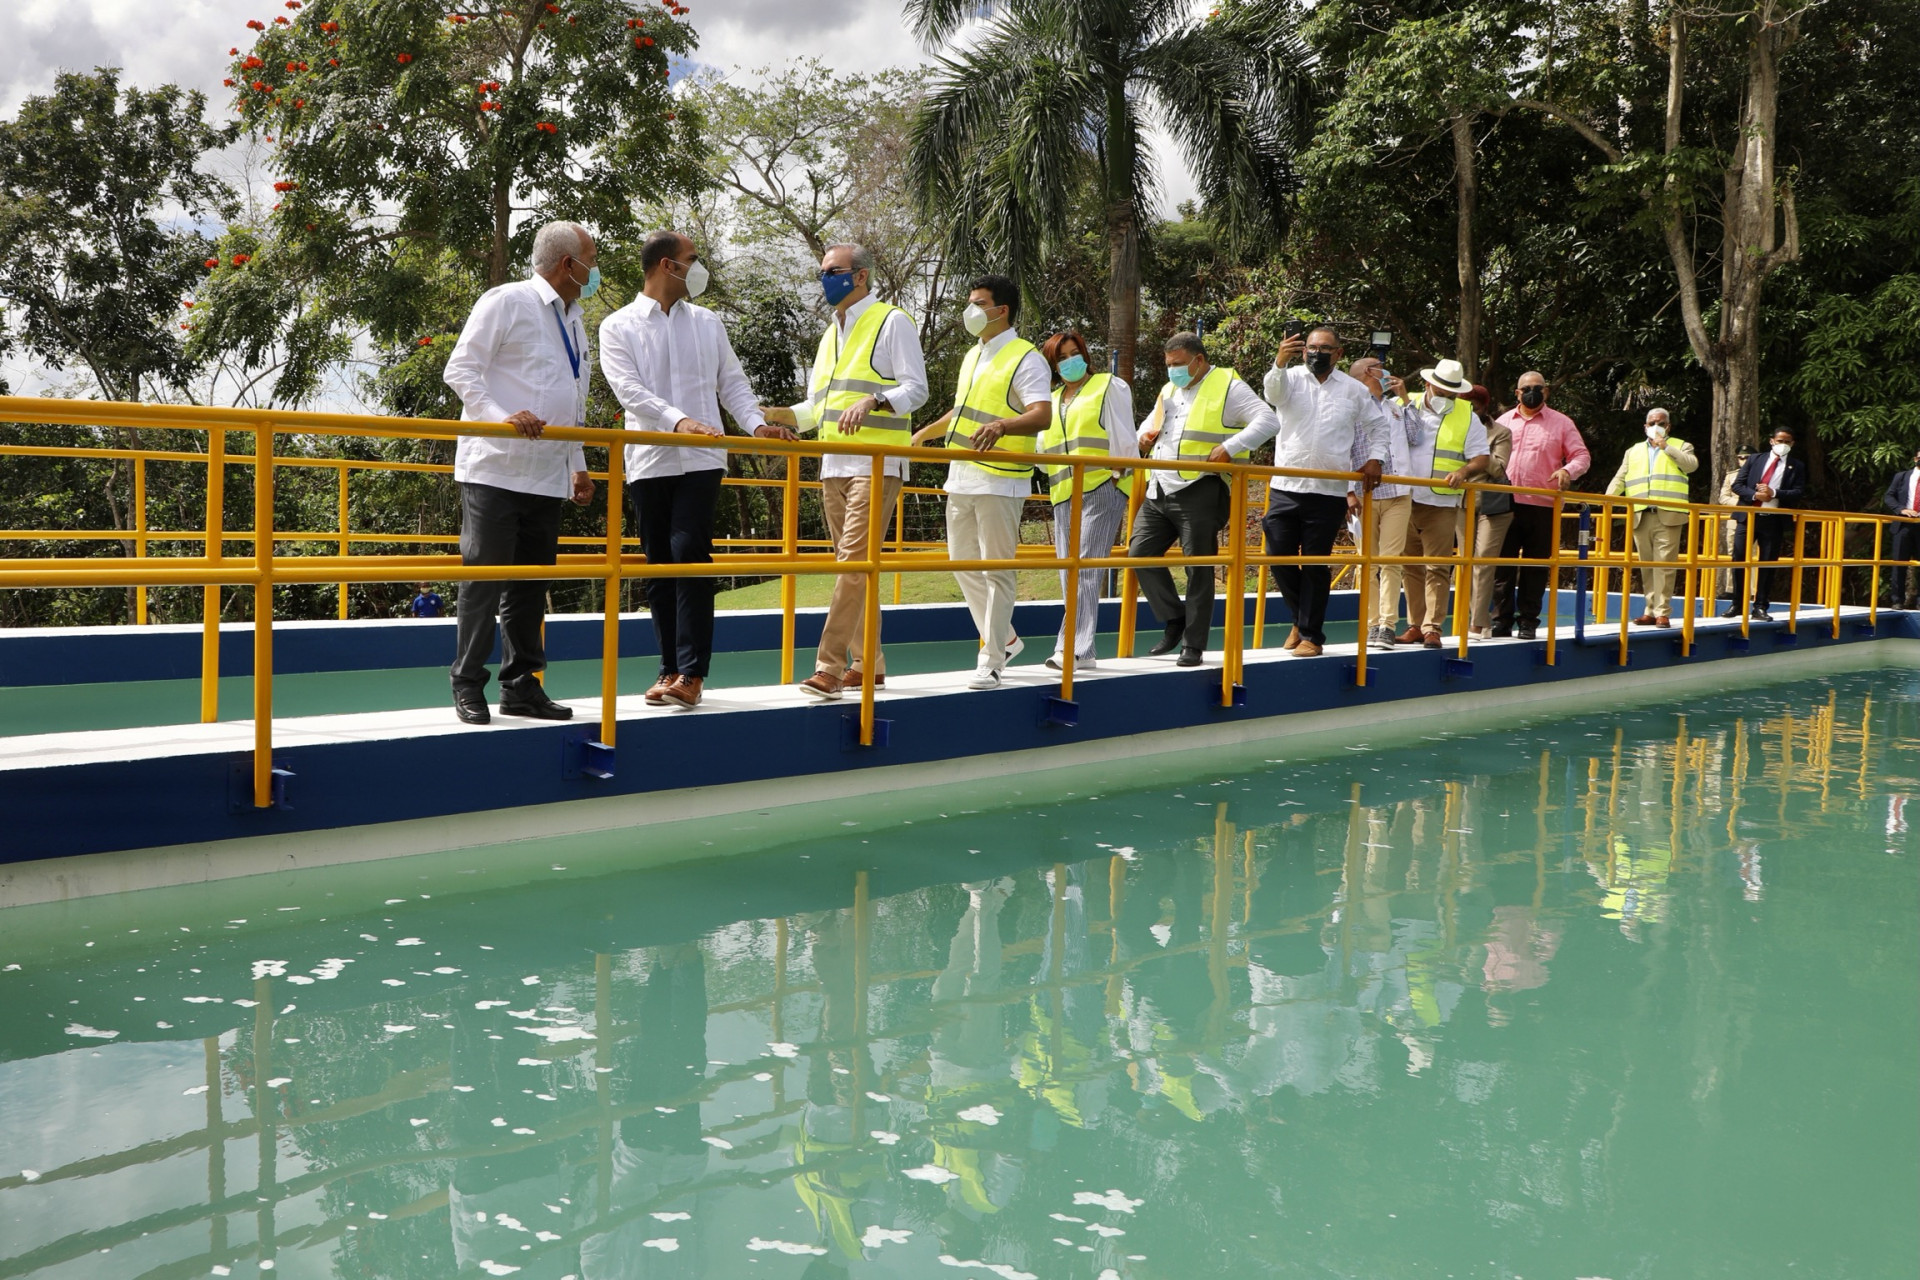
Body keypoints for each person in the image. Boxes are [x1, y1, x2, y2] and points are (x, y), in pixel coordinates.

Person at [600, 229, 789, 709]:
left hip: (703, 459)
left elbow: (733, 383)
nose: (699, 267)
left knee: (690, 553)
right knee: (659, 565)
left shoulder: (708, 322)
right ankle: (667, 668)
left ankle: (691, 672)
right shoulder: (618, 326)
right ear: (668, 265)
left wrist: (756, 425)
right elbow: (629, 391)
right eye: (693, 258)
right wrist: (679, 421)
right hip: (650, 459)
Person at [442, 219, 597, 725]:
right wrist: (500, 418)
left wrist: (577, 465)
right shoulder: (507, 300)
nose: (595, 270)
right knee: (485, 580)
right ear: (567, 264)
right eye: (591, 261)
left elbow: (573, 401)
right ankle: (468, 683)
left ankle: (521, 685)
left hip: (547, 474)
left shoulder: (574, 321)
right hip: (496, 467)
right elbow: (460, 369)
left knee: (530, 586)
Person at [765, 243, 928, 701]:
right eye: (821, 272)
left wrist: (876, 399)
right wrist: (775, 416)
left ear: (860, 276)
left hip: (876, 463)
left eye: (832, 271)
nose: (824, 279)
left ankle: (829, 667)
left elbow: (917, 389)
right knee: (856, 570)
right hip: (833, 465)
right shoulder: (829, 335)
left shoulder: (892, 321)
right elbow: (818, 408)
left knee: (852, 565)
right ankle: (868, 664)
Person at [1213, 325, 1380, 659]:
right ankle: (1299, 620)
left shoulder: (1353, 390)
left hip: (1328, 491)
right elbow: (1272, 395)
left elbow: (1378, 426)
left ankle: (1311, 636)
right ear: (1303, 351)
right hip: (1286, 486)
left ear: (1339, 354)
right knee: (1277, 556)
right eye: (1311, 348)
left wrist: (1375, 458)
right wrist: (1279, 361)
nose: (1317, 353)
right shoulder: (1288, 379)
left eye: (1325, 348)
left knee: (1315, 564)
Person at [934, 274, 1052, 690]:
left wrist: (1003, 426)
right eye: (970, 302)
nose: (971, 310)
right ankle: (1007, 639)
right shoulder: (973, 355)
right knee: (962, 564)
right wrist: (921, 435)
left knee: (996, 571)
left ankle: (992, 660)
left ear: (1002, 310)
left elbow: (1042, 414)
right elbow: (960, 412)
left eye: (979, 303)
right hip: (962, 475)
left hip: (1001, 480)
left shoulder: (1025, 357)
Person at [1139, 332, 1276, 665]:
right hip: (1158, 488)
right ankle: (1175, 618)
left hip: (1200, 487)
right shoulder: (1169, 390)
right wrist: (1142, 437)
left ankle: (1193, 644)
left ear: (1198, 360)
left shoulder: (1228, 386)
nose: (1172, 370)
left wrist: (1230, 447)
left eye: (1178, 364)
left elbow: (1269, 420)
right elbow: (1149, 424)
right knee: (1139, 553)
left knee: (1198, 566)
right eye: (1169, 365)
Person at [1037, 330, 1137, 670]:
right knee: (1069, 572)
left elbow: (1124, 436)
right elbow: (1042, 453)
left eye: (1073, 353)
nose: (1070, 361)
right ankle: (1085, 651)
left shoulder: (1108, 386)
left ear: (1084, 353)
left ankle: (1073, 649)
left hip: (1101, 486)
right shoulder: (1051, 400)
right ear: (1053, 366)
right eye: (1061, 358)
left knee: (1086, 569)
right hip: (1063, 493)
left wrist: (1116, 476)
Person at [1393, 359, 1490, 648]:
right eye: (1442, 391)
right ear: (1428, 384)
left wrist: (1463, 471)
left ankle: (1432, 627)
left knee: (1437, 566)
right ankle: (1415, 625)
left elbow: (1481, 457)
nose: (1446, 397)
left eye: (1452, 394)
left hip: (1442, 501)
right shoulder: (1404, 403)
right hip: (1404, 497)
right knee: (1410, 565)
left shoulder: (1467, 415)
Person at [1491, 371, 1590, 639]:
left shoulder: (1562, 423)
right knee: (1501, 566)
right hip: (1504, 503)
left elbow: (1582, 456)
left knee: (1536, 567)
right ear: (1517, 393)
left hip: (1543, 505)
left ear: (1546, 392)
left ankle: (1528, 622)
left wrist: (1567, 471)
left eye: (1538, 388)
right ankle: (1500, 621)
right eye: (1526, 388)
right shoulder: (1502, 422)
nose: (1532, 392)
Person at [1604, 407, 1698, 627]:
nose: (1656, 426)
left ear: (1668, 427)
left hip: (1669, 515)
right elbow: (1621, 477)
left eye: (1661, 423)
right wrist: (1607, 499)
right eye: (1652, 423)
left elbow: (1691, 465)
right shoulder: (1633, 451)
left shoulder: (1682, 446)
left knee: (1664, 565)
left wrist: (1666, 447)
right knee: (1646, 565)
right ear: (1645, 427)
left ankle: (1662, 611)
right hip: (1640, 515)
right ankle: (1650, 610)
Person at [1345, 355, 1414, 650]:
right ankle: (1371, 623)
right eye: (1382, 369)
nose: (1387, 373)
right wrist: (1348, 492)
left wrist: (1405, 398)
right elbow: (1342, 450)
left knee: (1391, 561)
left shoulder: (1395, 407)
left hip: (1398, 493)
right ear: (1369, 373)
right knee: (1366, 563)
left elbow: (1416, 436)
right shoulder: (1351, 407)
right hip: (1365, 495)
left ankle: (1386, 625)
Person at [1723, 427, 1808, 619]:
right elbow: (1737, 485)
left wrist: (1774, 493)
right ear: (1771, 441)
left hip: (1773, 520)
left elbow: (1798, 492)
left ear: (1792, 444)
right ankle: (1737, 604)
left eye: (1787, 442)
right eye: (1779, 441)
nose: (1783, 445)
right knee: (1739, 560)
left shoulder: (1796, 466)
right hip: (1748, 518)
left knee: (1767, 563)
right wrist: (1755, 495)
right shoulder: (1755, 459)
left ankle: (1760, 606)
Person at [1459, 384, 1513, 639]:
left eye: (1475, 406)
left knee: (1483, 561)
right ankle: (1467, 618)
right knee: (1464, 562)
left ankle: (1478, 623)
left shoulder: (1501, 432)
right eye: (1465, 406)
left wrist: (1478, 447)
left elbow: (1499, 468)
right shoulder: (1454, 426)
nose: (1470, 411)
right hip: (1461, 501)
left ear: (1484, 407)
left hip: (1493, 503)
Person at [1881, 446, 1920, 608]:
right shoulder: (1902, 476)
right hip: (1903, 525)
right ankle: (1897, 600)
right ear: (1915, 459)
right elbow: (1889, 496)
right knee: (1899, 564)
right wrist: (1901, 509)